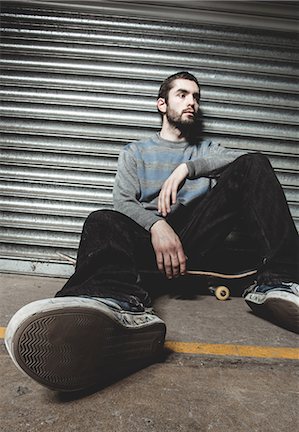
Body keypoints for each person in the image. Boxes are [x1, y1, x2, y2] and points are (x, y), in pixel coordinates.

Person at [5, 72, 299, 392]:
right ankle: (111, 304)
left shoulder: (208, 150)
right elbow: (123, 202)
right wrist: (156, 225)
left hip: (195, 239)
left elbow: (247, 162)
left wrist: (187, 169)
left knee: (254, 163)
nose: (192, 103)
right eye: (183, 95)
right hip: (149, 243)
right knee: (103, 218)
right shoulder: (135, 152)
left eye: (196, 97)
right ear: (162, 104)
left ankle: (282, 281)